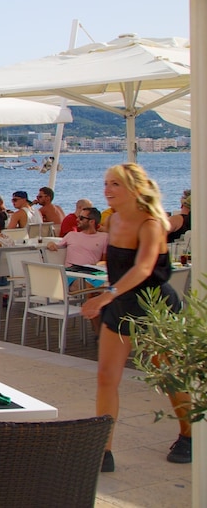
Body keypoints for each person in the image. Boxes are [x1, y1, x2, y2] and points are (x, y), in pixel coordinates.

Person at [80, 164, 189, 472]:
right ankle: (104, 450)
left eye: (115, 184)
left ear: (135, 188)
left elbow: (143, 269)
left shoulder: (151, 223)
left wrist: (106, 295)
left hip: (154, 307)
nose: (107, 189)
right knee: (106, 377)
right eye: (106, 183)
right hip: (121, 305)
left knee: (167, 376)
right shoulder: (112, 220)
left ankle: (189, 434)